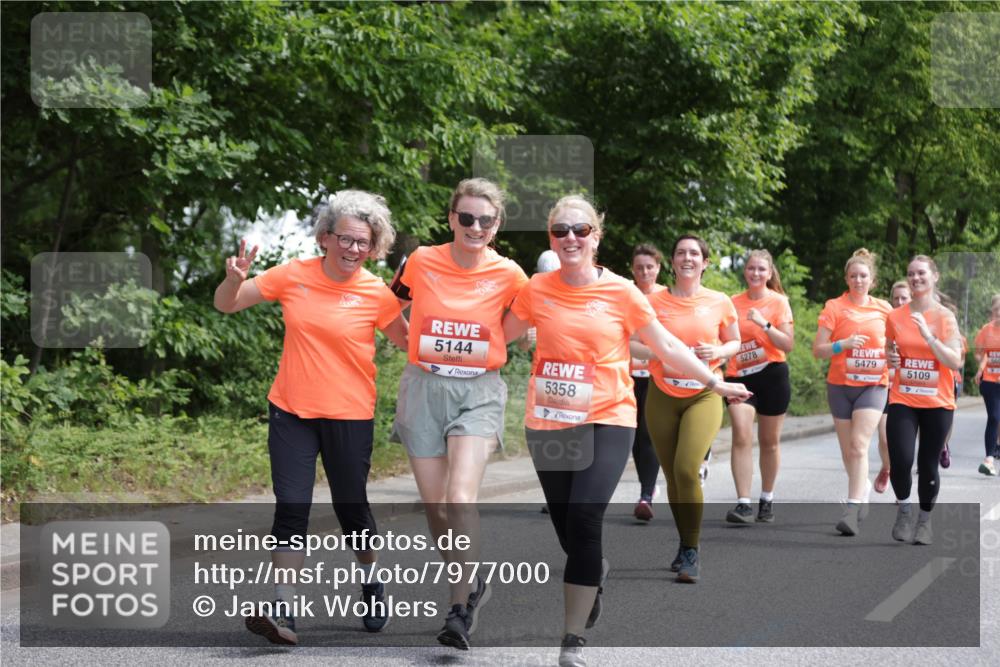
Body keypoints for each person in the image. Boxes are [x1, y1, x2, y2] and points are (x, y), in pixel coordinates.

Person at [502, 197, 750, 667]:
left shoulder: (622, 292)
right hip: (549, 420)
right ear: (551, 237)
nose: (570, 238)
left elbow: (666, 345)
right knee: (567, 528)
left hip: (608, 415)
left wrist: (714, 382)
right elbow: (500, 335)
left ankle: (572, 638)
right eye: (560, 231)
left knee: (585, 517)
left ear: (595, 237)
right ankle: (592, 571)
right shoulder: (536, 288)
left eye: (580, 230)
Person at [213, 190, 408, 645]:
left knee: (351, 508)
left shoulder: (375, 292)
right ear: (325, 237)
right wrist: (233, 280)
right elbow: (228, 303)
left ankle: (372, 582)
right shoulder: (293, 275)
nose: (353, 249)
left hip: (349, 414)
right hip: (291, 411)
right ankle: (284, 609)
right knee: (291, 506)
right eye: (346, 239)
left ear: (373, 247)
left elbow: (410, 342)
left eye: (363, 242)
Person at [389, 178, 528, 650]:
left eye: (485, 220)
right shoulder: (422, 260)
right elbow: (387, 307)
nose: (475, 226)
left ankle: (458, 610)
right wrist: (412, 345)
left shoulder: (510, 274)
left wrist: (487, 347)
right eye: (466, 217)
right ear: (452, 219)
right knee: (436, 509)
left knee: (459, 497)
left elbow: (520, 324)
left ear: (497, 225)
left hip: (478, 392)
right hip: (423, 390)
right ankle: (471, 580)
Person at [635, 234, 742, 582]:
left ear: (705, 262)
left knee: (686, 469)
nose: (687, 258)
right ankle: (684, 544)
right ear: (672, 261)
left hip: (704, 395)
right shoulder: (652, 301)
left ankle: (692, 550)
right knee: (671, 476)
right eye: (680, 252)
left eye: (694, 253)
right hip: (662, 395)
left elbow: (735, 341)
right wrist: (660, 353)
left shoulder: (719, 301)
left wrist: (720, 352)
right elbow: (631, 343)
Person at [813, 248, 891, 536]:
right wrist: (842, 345)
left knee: (859, 446)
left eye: (863, 276)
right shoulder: (834, 307)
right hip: (840, 386)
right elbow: (818, 350)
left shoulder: (884, 309)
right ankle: (863, 487)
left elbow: (897, 343)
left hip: (873, 385)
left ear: (872, 280)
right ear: (846, 279)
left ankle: (852, 508)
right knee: (848, 452)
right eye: (853, 276)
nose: (859, 280)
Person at [885, 256, 963, 545]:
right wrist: (891, 357)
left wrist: (928, 336)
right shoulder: (895, 316)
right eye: (911, 274)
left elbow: (954, 360)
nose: (915, 278)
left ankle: (925, 521)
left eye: (921, 273)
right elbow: (889, 348)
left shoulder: (945, 317)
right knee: (901, 460)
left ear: (934, 277)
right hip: (903, 397)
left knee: (928, 465)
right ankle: (905, 511)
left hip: (937, 402)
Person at [723, 250, 795, 523]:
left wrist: (763, 324)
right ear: (745, 271)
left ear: (769, 273)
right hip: (739, 377)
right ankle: (743, 503)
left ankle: (766, 498)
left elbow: (787, 344)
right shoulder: (731, 302)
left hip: (772, 375)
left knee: (769, 442)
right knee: (741, 434)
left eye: (761, 269)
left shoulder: (778, 302)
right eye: (751, 268)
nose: (755, 273)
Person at [629, 243, 666, 522]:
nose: (644, 272)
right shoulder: (625, 294)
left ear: (658, 268)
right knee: (634, 436)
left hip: (657, 376)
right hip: (627, 375)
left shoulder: (667, 297)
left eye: (649, 267)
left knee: (648, 434)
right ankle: (647, 488)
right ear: (633, 270)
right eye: (639, 268)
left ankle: (646, 495)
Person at [875, 281, 912, 492]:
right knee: (885, 438)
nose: (899, 302)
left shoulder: (920, 323)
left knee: (905, 443)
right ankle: (887, 467)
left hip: (911, 391)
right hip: (886, 386)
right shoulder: (886, 322)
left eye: (904, 298)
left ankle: (902, 485)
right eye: (896, 298)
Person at [974, 294, 1000, 476]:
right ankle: (989, 459)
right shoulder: (986, 330)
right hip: (990, 381)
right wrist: (981, 368)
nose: (999, 312)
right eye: (996, 309)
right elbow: (979, 353)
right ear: (992, 311)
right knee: (994, 417)